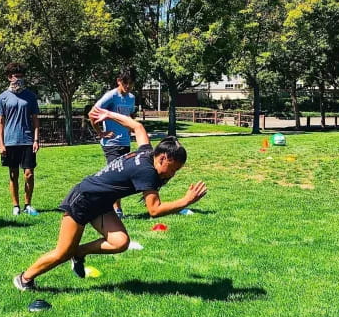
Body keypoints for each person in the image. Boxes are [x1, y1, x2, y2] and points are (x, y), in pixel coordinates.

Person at [13, 106, 207, 291]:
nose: (172, 174)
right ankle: (24, 279)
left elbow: (137, 127)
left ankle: (79, 252)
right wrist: (186, 201)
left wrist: (108, 114)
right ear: (163, 158)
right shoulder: (147, 172)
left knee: (120, 242)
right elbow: (154, 210)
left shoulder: (147, 152)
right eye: (172, 168)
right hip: (83, 200)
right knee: (63, 252)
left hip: (101, 203)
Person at [89, 68, 137, 219]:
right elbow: (92, 113)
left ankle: (112, 207)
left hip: (125, 141)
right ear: (119, 81)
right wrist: (100, 133)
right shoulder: (110, 96)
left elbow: (128, 116)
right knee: (116, 175)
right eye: (125, 83)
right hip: (111, 143)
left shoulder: (131, 98)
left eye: (131, 83)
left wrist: (131, 129)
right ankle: (115, 209)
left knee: (123, 175)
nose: (128, 86)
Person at [0, 63, 41, 216]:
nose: (19, 79)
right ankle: (16, 205)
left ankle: (28, 204)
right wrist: (1, 144)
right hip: (10, 141)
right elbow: (0, 122)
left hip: (27, 140)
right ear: (9, 77)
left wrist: (36, 139)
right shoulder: (2, 98)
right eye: (16, 76)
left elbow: (35, 120)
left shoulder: (30, 96)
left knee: (29, 173)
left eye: (21, 76)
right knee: (13, 174)